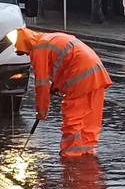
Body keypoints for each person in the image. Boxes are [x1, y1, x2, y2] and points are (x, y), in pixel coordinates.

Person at [15, 28, 113, 157]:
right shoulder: (49, 38)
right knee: (89, 120)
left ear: (25, 45)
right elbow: (64, 62)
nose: (27, 55)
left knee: (73, 119)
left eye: (25, 52)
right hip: (97, 73)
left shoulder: (38, 49)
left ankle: (71, 158)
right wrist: (56, 86)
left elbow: (41, 85)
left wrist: (41, 112)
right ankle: (87, 154)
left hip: (80, 79)